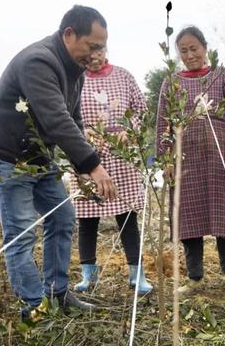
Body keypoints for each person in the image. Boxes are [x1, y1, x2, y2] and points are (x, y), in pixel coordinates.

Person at [0, 5, 117, 320]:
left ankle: (57, 292)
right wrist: (93, 165)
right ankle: (34, 307)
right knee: (22, 231)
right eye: (92, 46)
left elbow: (74, 118)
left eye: (101, 48)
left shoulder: (73, 68)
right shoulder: (38, 61)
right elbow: (56, 121)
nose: (95, 55)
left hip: (38, 158)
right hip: (5, 157)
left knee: (63, 218)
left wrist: (81, 170)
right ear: (69, 34)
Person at [155, 26, 225, 296]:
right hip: (186, 162)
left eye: (194, 48)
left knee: (224, 216)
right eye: (183, 50)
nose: (190, 54)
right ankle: (195, 278)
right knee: (188, 218)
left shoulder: (221, 75)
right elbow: (163, 123)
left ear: (205, 48)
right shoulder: (171, 82)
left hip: (218, 161)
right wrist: (167, 159)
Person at [69, 49, 153, 295]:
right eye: (89, 52)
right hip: (86, 154)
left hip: (121, 153)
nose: (94, 57)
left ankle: (137, 275)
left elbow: (141, 109)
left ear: (106, 50)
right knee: (87, 217)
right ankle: (88, 276)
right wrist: (82, 135)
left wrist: (130, 129)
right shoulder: (74, 80)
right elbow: (65, 114)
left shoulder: (124, 76)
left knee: (127, 216)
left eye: (98, 51)